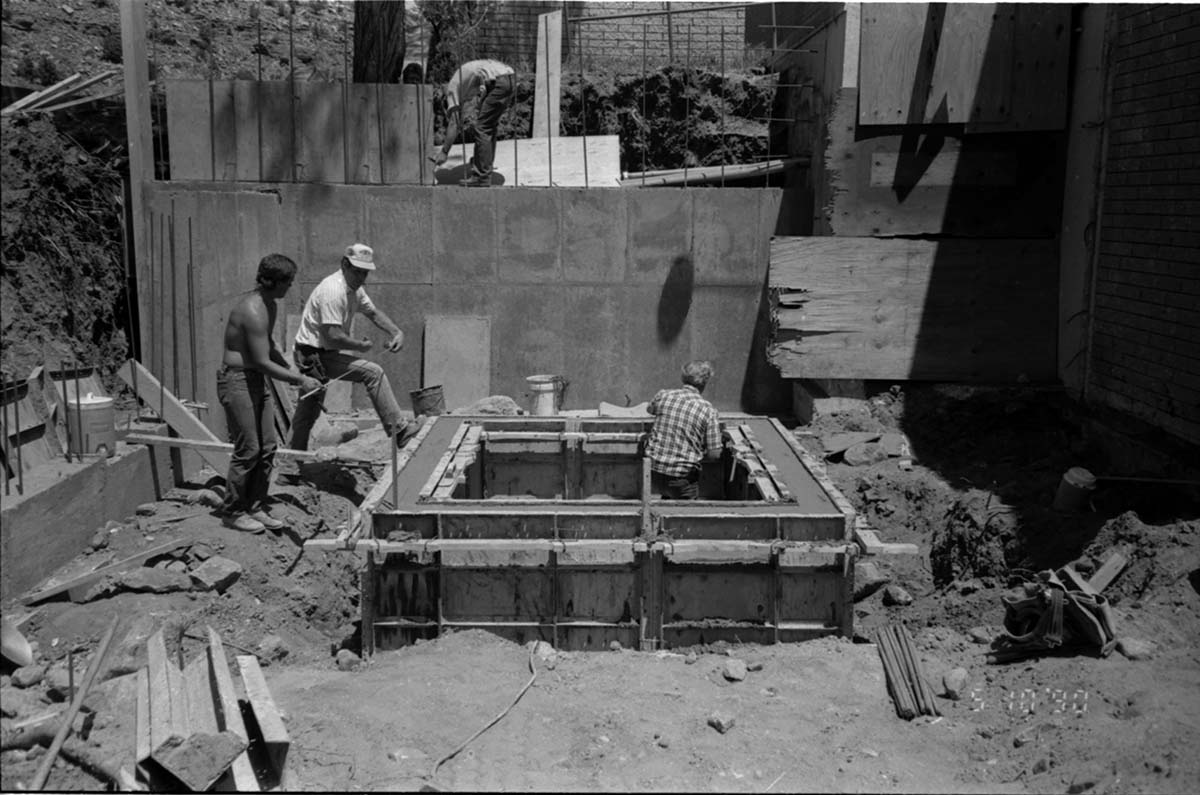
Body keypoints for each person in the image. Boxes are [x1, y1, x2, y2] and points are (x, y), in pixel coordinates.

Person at [218, 254, 322, 533]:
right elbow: (262, 361)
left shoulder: (269, 306)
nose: (290, 287)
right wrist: (299, 380)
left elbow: (270, 347)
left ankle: (254, 505)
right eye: (287, 282)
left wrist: (290, 367)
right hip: (237, 381)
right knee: (249, 448)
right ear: (272, 281)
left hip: (254, 380)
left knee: (268, 447)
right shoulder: (251, 310)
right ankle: (232, 511)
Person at [289, 243, 417, 451]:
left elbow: (373, 313)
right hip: (313, 354)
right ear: (344, 265)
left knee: (308, 409)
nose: (360, 278)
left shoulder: (354, 289)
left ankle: (289, 465)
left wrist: (396, 332)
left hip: (320, 352)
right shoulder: (333, 290)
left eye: (364, 273)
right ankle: (400, 432)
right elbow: (332, 336)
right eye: (357, 272)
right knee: (373, 373)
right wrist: (360, 346)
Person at [644, 360, 725, 500]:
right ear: (705, 382)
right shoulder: (708, 410)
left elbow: (650, 409)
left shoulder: (663, 395)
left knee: (666, 501)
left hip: (652, 472)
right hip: (681, 478)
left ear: (683, 377)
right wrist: (695, 453)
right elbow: (715, 454)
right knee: (684, 514)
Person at [429, 58, 515, 187]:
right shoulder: (467, 81)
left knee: (483, 127)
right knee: (489, 125)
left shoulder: (452, 89)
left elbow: (454, 123)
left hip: (499, 81)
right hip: (509, 78)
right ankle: (484, 165)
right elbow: (483, 96)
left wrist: (444, 152)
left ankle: (482, 177)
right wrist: (479, 158)